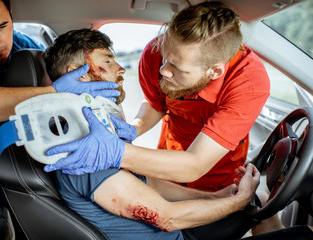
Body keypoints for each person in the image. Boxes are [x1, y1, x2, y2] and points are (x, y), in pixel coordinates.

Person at [44, 28, 262, 240]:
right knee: (260, 205)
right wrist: (239, 201)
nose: (121, 68)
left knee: (259, 203)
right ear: (77, 74)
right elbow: (168, 218)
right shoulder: (84, 151)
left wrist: (217, 197)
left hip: (179, 231)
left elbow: (149, 183)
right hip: (176, 231)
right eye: (108, 62)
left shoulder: (98, 136)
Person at [44, 2, 270, 192]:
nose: (163, 70)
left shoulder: (248, 82)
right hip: (168, 152)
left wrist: (116, 152)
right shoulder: (155, 52)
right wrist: (133, 129)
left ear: (215, 71)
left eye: (176, 68)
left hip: (216, 164)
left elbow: (196, 163)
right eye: (165, 57)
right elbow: (155, 103)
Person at [0, 0, 120, 206]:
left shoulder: (27, 48)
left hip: (29, 139)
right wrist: (52, 92)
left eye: (3, 26)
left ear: (12, 17)